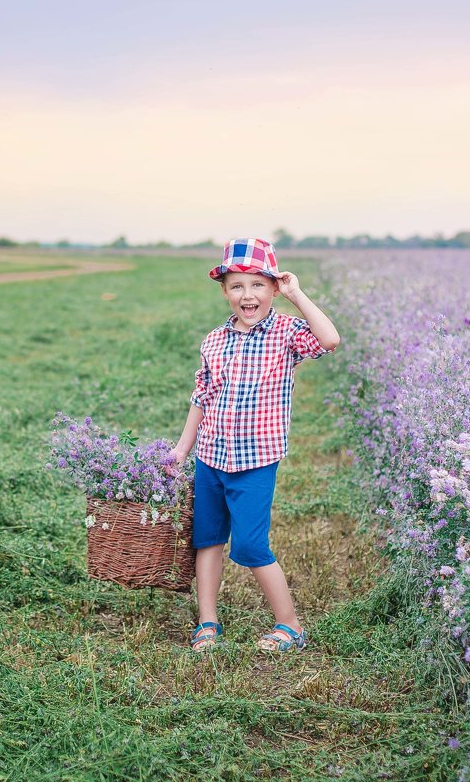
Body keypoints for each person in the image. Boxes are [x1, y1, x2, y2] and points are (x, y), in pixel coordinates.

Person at [165, 237, 339, 653]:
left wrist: (298, 295)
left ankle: (290, 625)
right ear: (224, 291)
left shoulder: (286, 333)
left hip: (255, 460)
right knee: (206, 539)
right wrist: (181, 450)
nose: (248, 295)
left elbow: (330, 340)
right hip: (211, 457)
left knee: (249, 545)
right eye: (237, 286)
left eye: (258, 285)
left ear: (274, 289)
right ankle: (208, 622)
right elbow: (201, 398)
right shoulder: (214, 341)